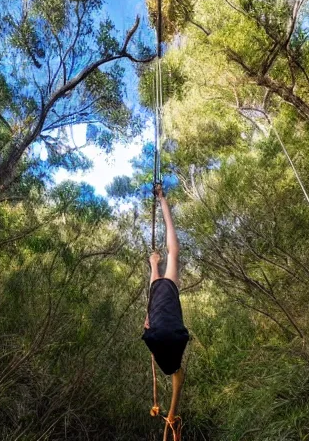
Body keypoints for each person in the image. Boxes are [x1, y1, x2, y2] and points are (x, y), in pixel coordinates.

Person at [142, 184, 189, 437]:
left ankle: (171, 414)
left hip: (163, 328)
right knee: (172, 254)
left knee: (173, 254)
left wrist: (153, 263)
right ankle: (171, 415)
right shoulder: (158, 292)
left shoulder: (162, 289)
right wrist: (162, 200)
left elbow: (173, 252)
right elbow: (152, 291)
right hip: (159, 328)